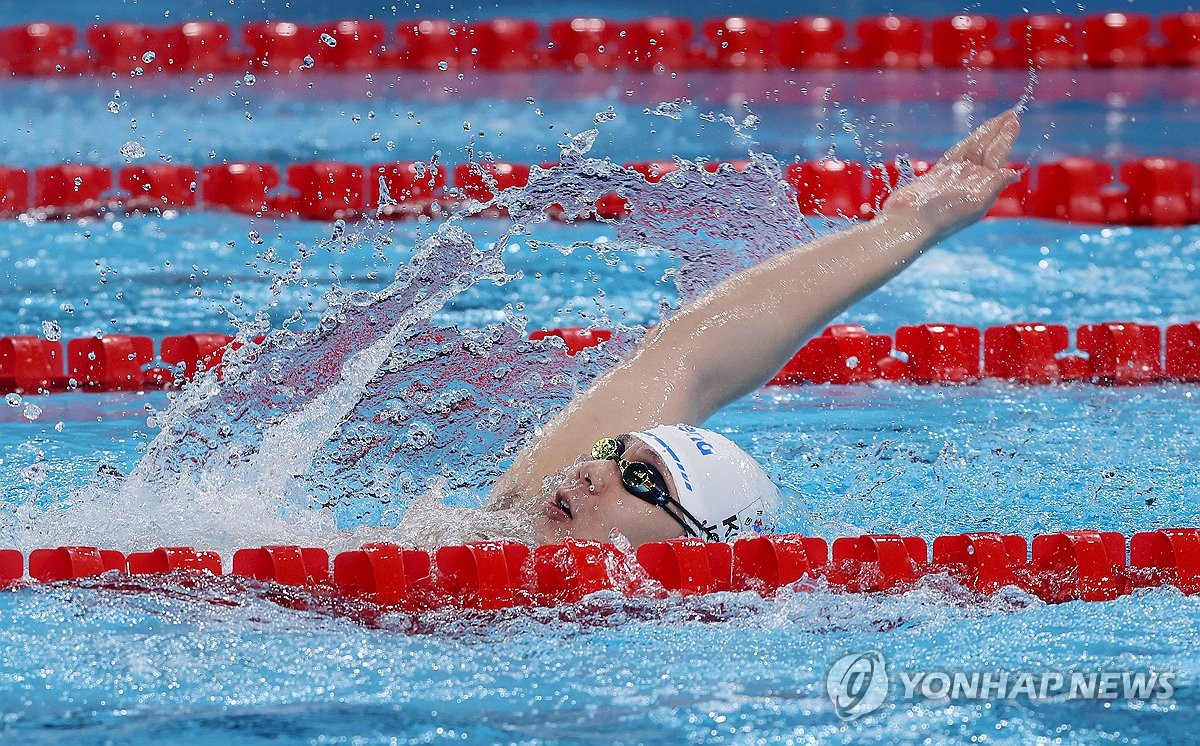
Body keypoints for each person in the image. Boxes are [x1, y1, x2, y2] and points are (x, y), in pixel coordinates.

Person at [401, 110, 1022, 549]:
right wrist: (906, 226)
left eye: (642, 480)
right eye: (611, 451)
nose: (592, 471)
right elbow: (693, 353)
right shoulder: (506, 521)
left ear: (689, 543)